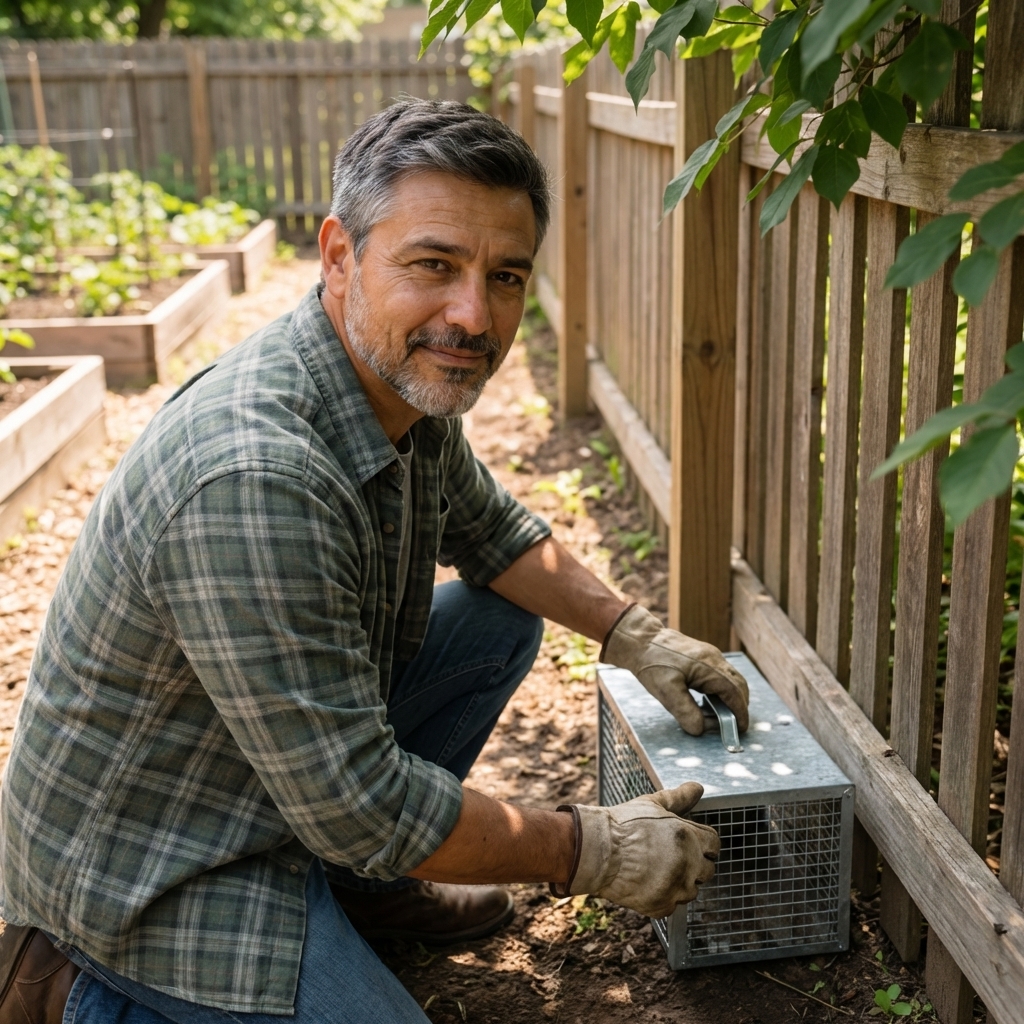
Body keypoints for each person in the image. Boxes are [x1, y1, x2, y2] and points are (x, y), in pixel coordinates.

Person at [0, 100, 749, 1024]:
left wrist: (638, 636)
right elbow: (359, 804)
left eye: (505, 276)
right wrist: (587, 850)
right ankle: (72, 986)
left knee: (496, 618)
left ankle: (354, 892)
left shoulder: (393, 384)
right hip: (156, 865)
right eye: (435, 264)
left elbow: (495, 534)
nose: (473, 315)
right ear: (339, 255)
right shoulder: (257, 475)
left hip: (273, 781)